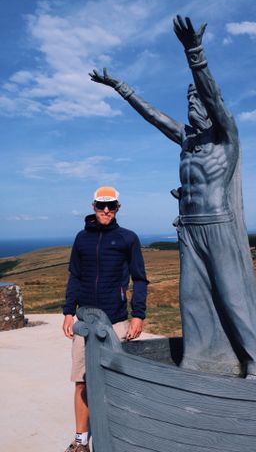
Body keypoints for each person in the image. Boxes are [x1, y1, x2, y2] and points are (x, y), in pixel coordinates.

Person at [89, 16, 256, 379]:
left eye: (198, 99)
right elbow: (153, 116)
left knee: (232, 296)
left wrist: (195, 54)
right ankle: (198, 360)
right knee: (192, 298)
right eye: (188, 100)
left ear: (212, 106)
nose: (192, 104)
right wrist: (119, 86)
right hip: (189, 230)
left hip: (217, 225)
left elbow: (209, 92)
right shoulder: (187, 141)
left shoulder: (226, 138)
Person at [62, 186, 148, 452]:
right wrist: (67, 311)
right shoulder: (81, 238)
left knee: (116, 382)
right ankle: (80, 442)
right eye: (101, 206)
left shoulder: (128, 238)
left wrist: (139, 316)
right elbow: (74, 275)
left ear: (118, 208)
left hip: (116, 321)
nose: (106, 211)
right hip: (84, 323)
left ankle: (118, 438)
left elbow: (140, 279)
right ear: (93, 206)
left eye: (111, 206)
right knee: (82, 381)